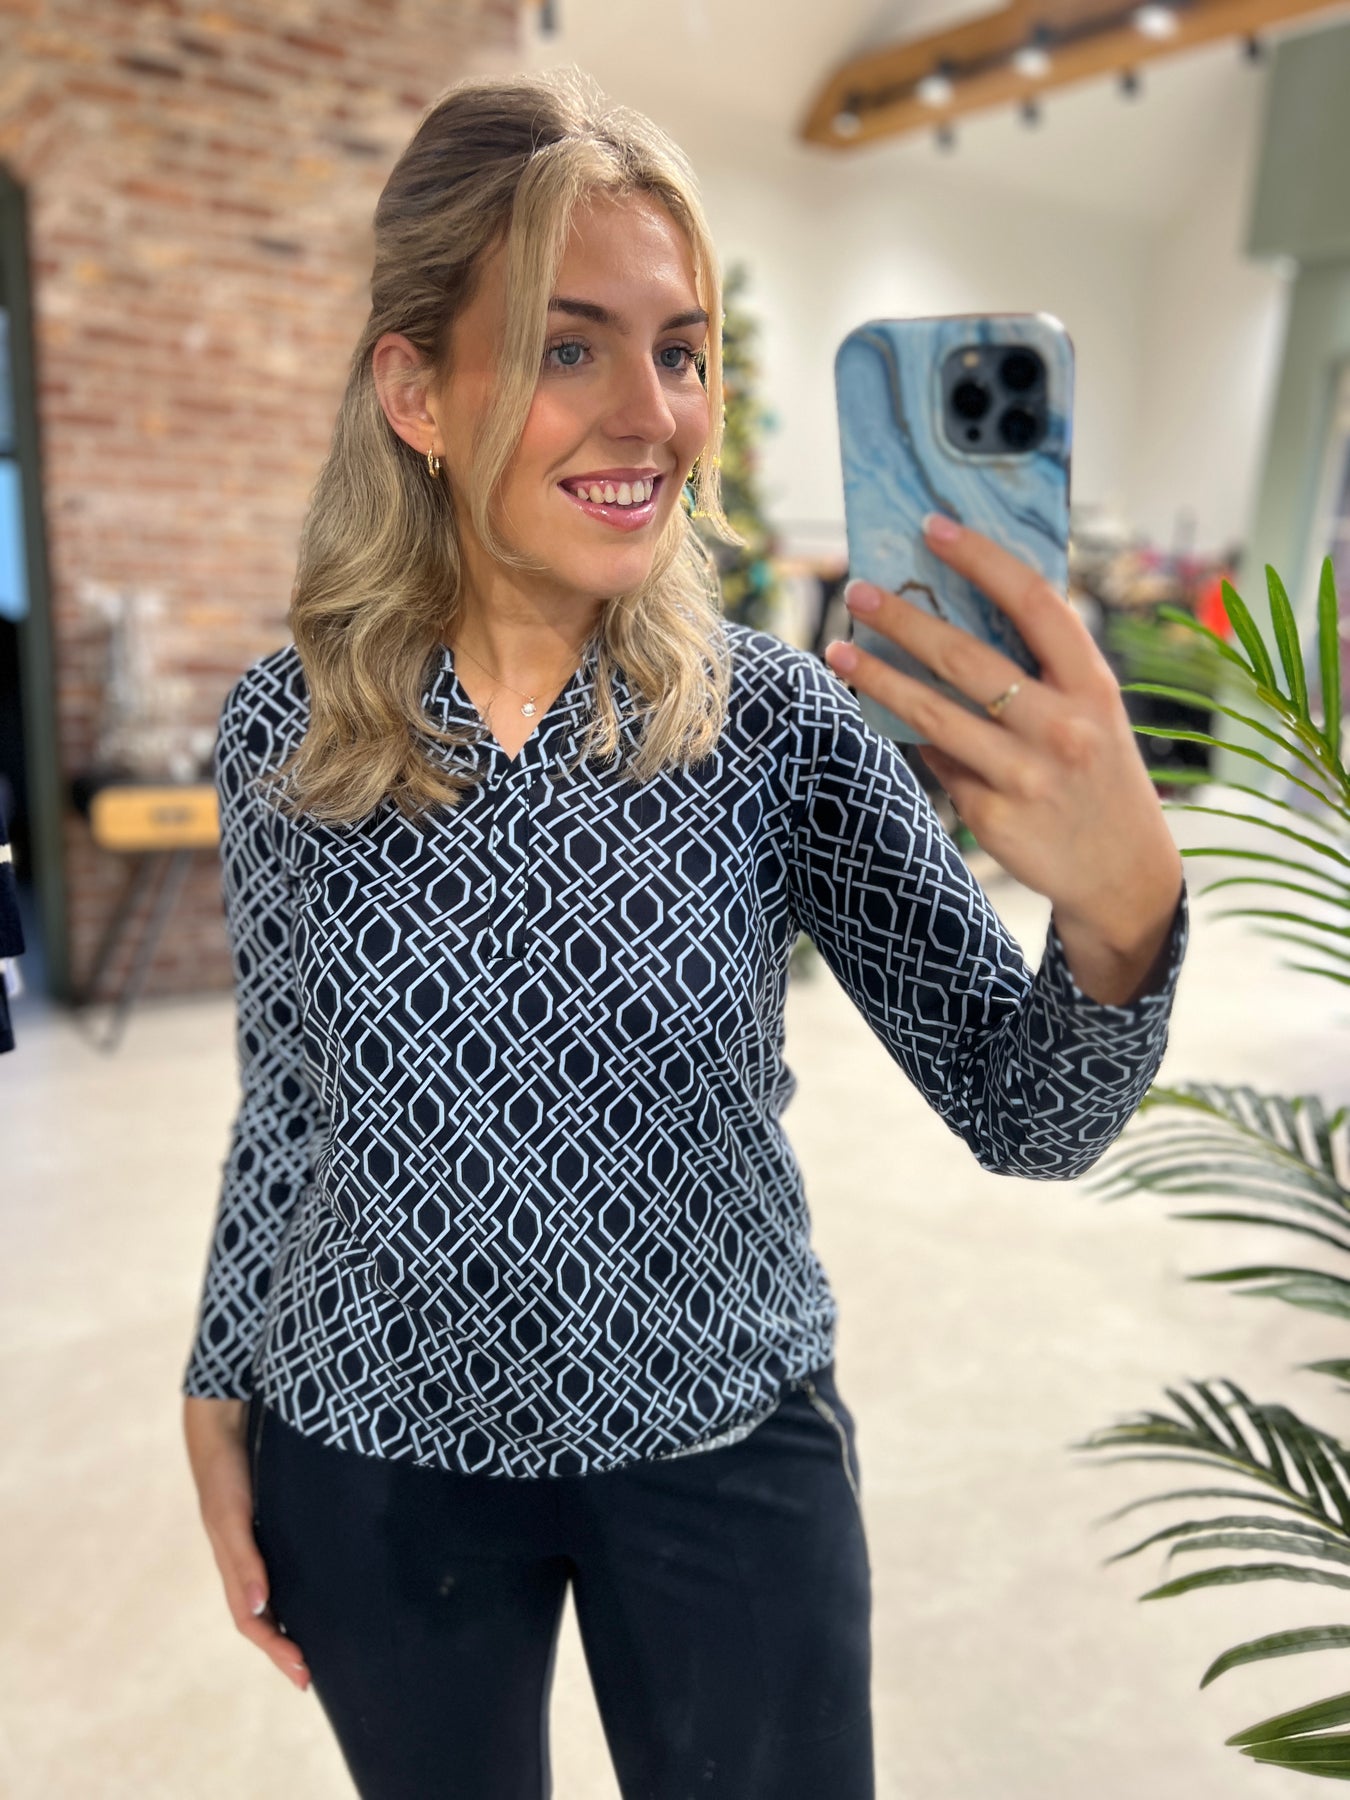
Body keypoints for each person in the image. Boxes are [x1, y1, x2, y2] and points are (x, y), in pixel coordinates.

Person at [180, 64, 1189, 1800]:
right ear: (415, 392)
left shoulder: (776, 722)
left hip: (719, 1440)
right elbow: (288, 1096)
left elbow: (1028, 1112)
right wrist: (219, 1376)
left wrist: (1121, 909)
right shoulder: (289, 727)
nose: (651, 412)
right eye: (567, 348)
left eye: (684, 350)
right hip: (368, 1442)